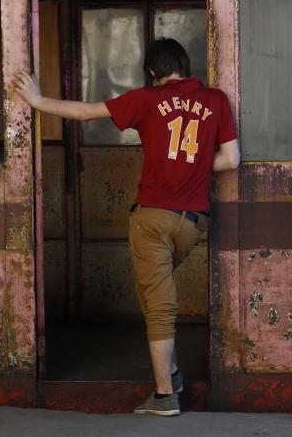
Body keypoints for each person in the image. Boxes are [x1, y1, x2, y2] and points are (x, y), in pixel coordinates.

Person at [15, 37, 240, 417]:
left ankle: (166, 395)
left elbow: (87, 113)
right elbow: (232, 159)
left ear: (153, 72)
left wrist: (37, 102)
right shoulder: (216, 100)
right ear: (185, 67)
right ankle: (170, 372)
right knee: (156, 292)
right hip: (193, 222)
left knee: (158, 306)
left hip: (152, 218)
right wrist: (194, 168)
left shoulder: (148, 99)